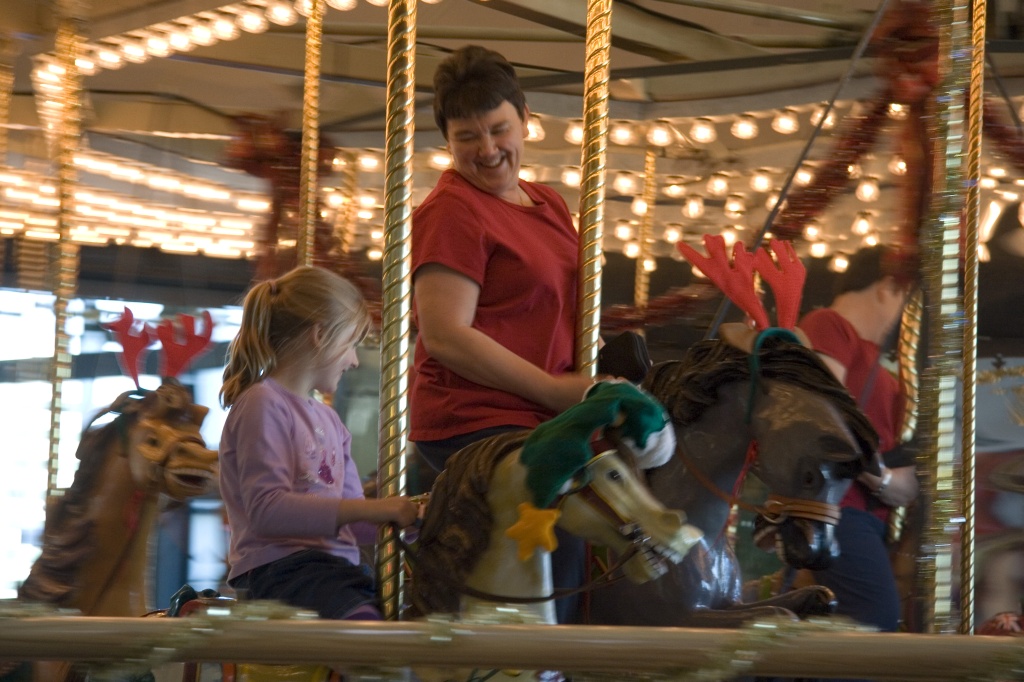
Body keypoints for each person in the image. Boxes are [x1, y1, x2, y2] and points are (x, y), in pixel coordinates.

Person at [409, 45, 595, 622]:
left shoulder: (548, 202)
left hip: (544, 420)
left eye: (498, 129)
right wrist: (552, 389)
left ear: (525, 120)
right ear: (447, 140)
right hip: (477, 423)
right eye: (468, 136)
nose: (488, 150)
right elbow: (445, 334)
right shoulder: (453, 211)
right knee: (553, 575)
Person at [218, 266, 418, 620]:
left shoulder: (331, 422)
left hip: (331, 570)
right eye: (351, 344)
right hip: (281, 571)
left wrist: (414, 520)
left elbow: (353, 522)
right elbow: (267, 512)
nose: (354, 360)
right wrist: (376, 508)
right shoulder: (262, 403)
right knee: (374, 644)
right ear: (320, 335)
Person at [798, 245, 920, 633]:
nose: (905, 316)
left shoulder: (882, 366)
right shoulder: (829, 325)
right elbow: (826, 420)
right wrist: (882, 479)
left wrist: (898, 480)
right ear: (887, 288)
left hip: (867, 515)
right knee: (874, 617)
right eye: (905, 298)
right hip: (838, 506)